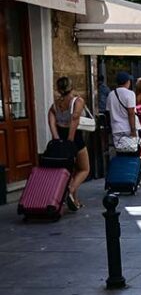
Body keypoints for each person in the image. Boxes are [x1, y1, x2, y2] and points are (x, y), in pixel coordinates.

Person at [48, 77, 90, 211]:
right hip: (75, 138)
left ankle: (75, 201)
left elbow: (51, 121)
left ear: (58, 89)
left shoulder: (55, 105)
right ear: (71, 87)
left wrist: (56, 139)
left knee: (71, 170)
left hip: (60, 137)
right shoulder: (77, 101)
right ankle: (70, 191)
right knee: (84, 169)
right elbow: (75, 119)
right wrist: (70, 141)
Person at [106, 72, 141, 184]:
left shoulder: (111, 94)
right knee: (135, 153)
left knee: (121, 154)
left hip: (116, 129)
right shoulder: (130, 94)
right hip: (129, 128)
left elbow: (108, 112)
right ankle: (136, 177)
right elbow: (131, 113)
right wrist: (133, 130)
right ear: (127, 82)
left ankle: (122, 177)